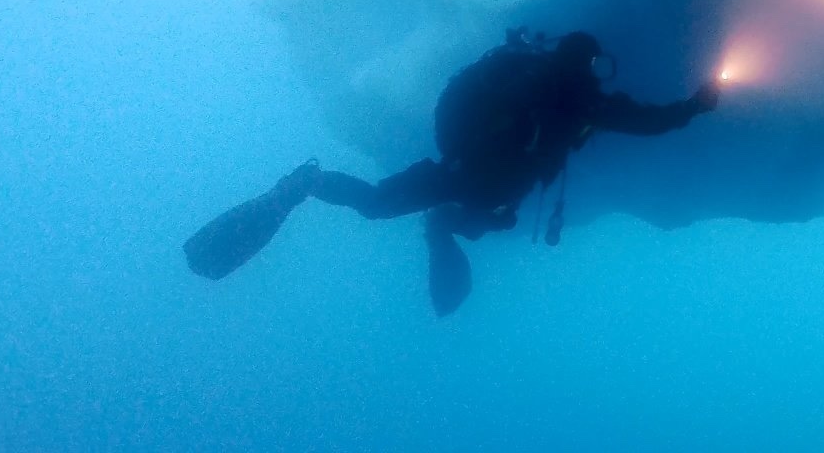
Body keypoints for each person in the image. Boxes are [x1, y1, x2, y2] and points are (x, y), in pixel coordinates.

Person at [184, 28, 719, 315]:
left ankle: (309, 182)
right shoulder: (580, 100)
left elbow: (458, 96)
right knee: (479, 220)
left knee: (377, 203)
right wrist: (696, 106)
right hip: (478, 184)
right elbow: (647, 121)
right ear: (590, 66)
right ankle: (434, 225)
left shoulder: (527, 75)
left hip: (454, 168)